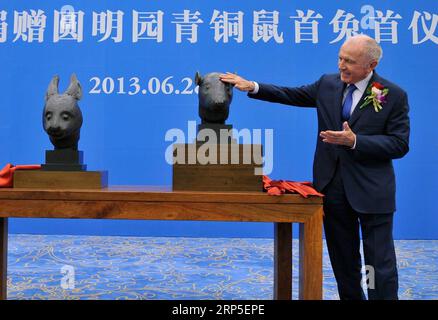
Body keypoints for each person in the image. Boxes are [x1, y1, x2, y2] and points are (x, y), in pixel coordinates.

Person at [219, 34, 410, 300]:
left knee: (378, 264)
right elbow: (291, 94)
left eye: (350, 62)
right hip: (332, 188)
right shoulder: (327, 84)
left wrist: (355, 141)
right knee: (344, 261)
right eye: (340, 58)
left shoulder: (392, 95)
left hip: (372, 192)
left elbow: (399, 144)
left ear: (371, 64)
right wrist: (251, 86)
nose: (342, 65)